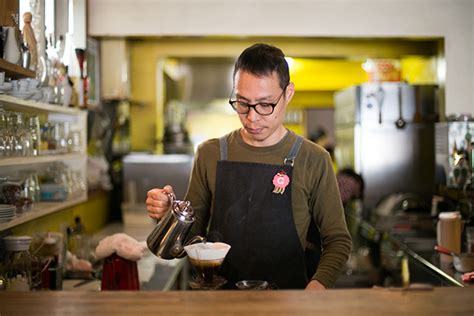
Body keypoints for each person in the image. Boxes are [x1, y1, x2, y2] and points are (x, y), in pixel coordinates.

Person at [146, 43, 352, 290]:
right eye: (242, 103)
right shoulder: (210, 154)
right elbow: (188, 244)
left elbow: (338, 241)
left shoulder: (313, 159)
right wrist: (170, 218)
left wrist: (316, 288)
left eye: (265, 105)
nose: (252, 117)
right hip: (220, 303)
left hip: (289, 303)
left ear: (288, 94)